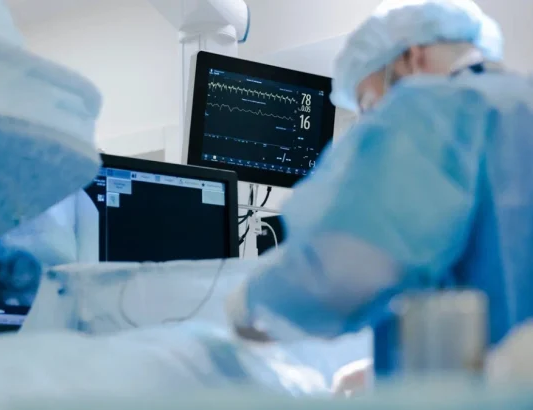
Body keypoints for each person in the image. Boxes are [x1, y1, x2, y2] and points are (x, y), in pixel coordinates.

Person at [225, 0, 533, 364]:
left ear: (412, 57)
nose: (372, 123)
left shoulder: (432, 111)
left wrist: (251, 301)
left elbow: (344, 274)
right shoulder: (519, 102)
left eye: (371, 105)